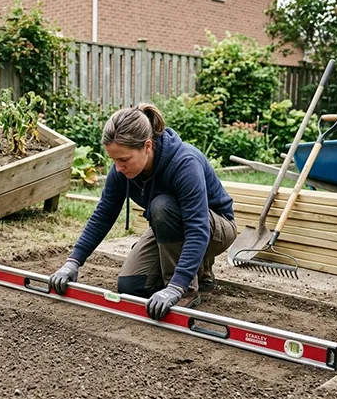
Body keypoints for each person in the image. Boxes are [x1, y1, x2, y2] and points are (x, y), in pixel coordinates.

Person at [48, 103, 237, 321]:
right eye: (113, 160)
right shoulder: (121, 170)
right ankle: (196, 268)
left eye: (124, 159)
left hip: (216, 228)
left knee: (161, 207)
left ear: (147, 146)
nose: (118, 167)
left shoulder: (184, 163)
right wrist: (73, 261)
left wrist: (176, 287)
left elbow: (198, 228)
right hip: (172, 224)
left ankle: (188, 287)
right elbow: (103, 214)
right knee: (131, 286)